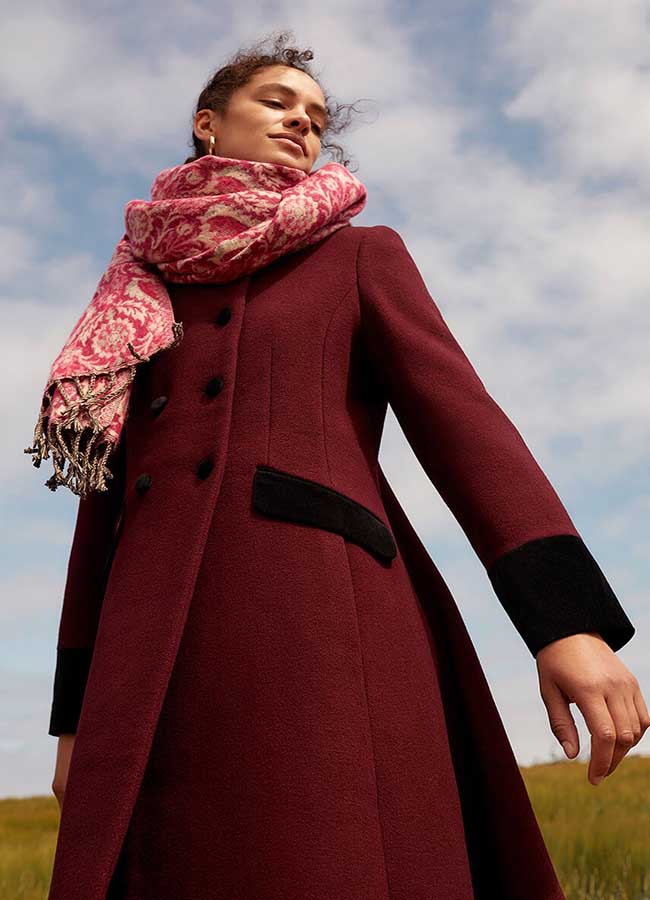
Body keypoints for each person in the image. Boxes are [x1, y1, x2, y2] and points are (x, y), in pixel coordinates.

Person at [27, 30, 646, 900]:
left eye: (317, 119)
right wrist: (74, 723)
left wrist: (564, 622)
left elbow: (466, 427)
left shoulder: (360, 254)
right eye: (277, 102)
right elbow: (101, 521)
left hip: (317, 619)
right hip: (147, 653)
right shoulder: (130, 294)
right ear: (208, 123)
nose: (302, 124)